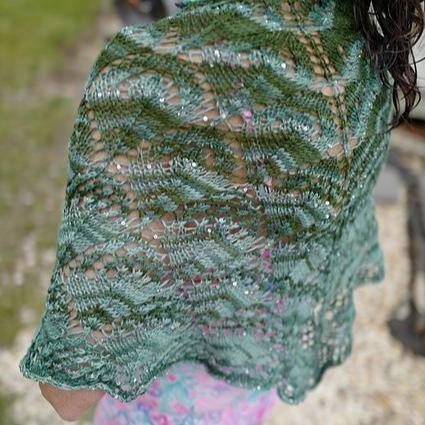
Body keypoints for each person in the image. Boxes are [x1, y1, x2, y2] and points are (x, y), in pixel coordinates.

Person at [20, 0, 425, 423]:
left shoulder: (153, 79)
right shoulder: (353, 47)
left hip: (166, 408)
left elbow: (68, 392)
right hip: (251, 389)